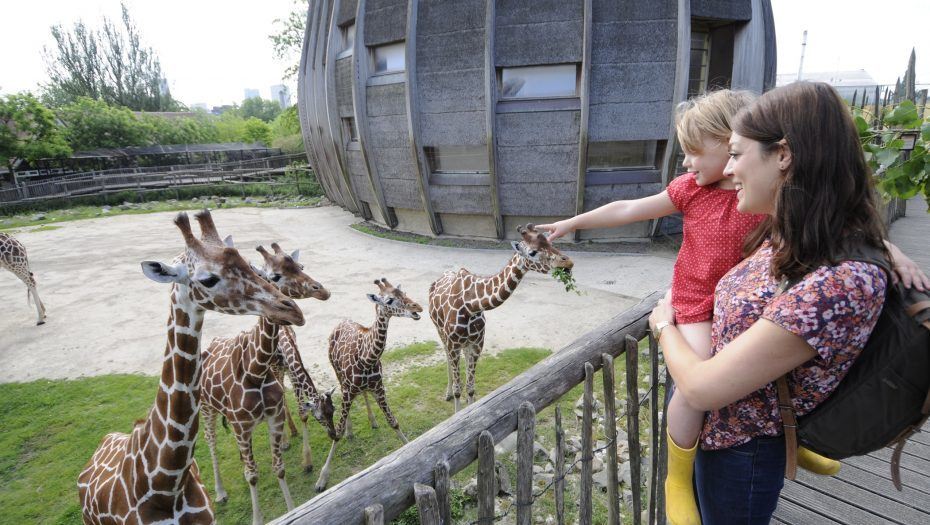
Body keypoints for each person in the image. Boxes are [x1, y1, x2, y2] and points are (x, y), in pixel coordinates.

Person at [540, 89, 841, 525]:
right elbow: (630, 208)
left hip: (742, 306)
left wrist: (886, 253)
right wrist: (575, 222)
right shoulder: (691, 191)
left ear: (730, 142)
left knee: (777, 367)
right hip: (697, 304)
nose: (686, 163)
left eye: (694, 151)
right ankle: (677, 480)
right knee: (695, 382)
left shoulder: (764, 193)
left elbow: (828, 223)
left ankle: (798, 439)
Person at [647, 81, 927, 524]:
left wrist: (665, 326)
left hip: (746, 451)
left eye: (737, 154)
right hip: (722, 435)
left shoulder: (837, 281)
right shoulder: (795, 233)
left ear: (783, 155)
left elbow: (700, 387)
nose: (730, 169)